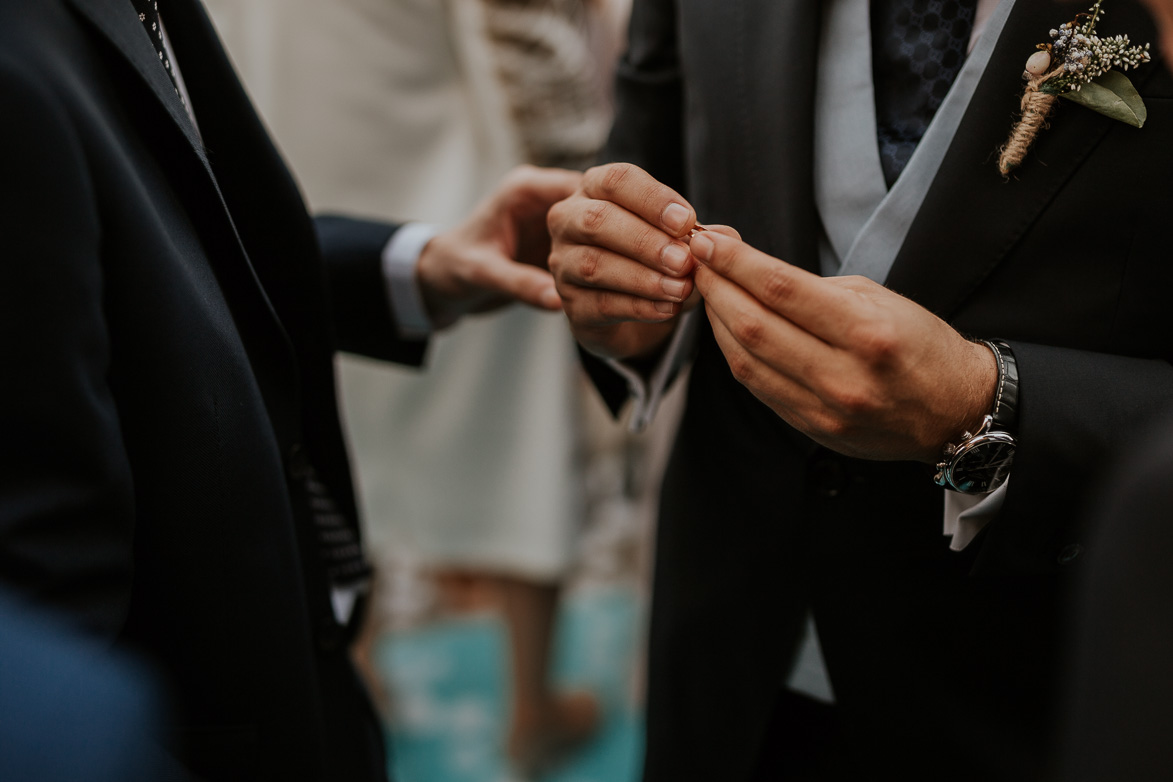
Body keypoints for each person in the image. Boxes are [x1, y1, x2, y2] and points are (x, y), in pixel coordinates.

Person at [548, 0, 1173, 779]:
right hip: (730, 663)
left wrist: (986, 402)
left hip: (1046, 690)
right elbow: (659, 159)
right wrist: (622, 309)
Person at [0, 1, 578, 780]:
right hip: (199, 729)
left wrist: (410, 268)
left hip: (301, 677)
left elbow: (157, 238)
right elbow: (44, 585)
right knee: (518, 458)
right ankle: (528, 712)